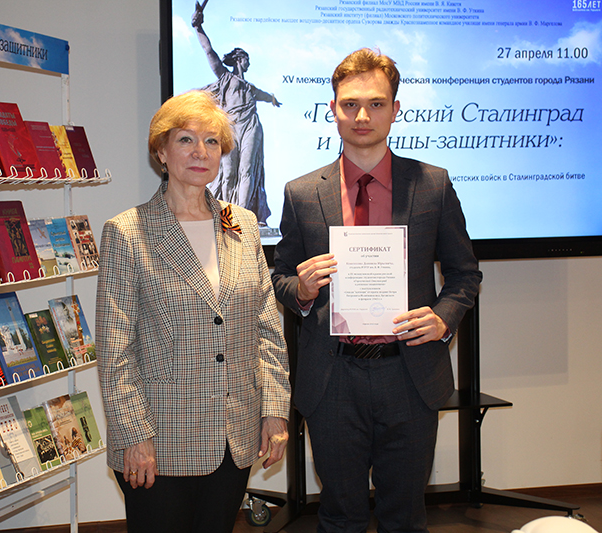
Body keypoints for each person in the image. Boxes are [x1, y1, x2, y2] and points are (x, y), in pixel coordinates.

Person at [271, 48, 483, 533]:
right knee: (339, 518)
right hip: (333, 378)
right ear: (333, 109)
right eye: (350, 104)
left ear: (395, 109)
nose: (362, 116)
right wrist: (301, 289)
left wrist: (443, 318)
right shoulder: (302, 193)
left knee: (404, 518)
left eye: (376, 104)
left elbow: (465, 274)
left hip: (408, 374)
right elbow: (279, 277)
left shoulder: (432, 185)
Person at [96, 90, 291, 533]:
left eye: (212, 141)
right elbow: (115, 350)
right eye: (186, 139)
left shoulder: (243, 225)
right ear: (161, 152)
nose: (200, 151)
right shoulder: (127, 232)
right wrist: (134, 435)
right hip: (158, 443)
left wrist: (275, 409)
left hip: (233, 438)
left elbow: (267, 331)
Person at [192, 1, 280, 225]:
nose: (249, 63)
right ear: (240, 59)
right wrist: (199, 28)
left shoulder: (250, 87)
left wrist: (272, 99)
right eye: (247, 59)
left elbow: (265, 95)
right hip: (230, 127)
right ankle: (226, 217)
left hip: (250, 127)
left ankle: (243, 219)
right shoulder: (225, 78)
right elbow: (209, 51)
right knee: (229, 172)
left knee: (247, 170)